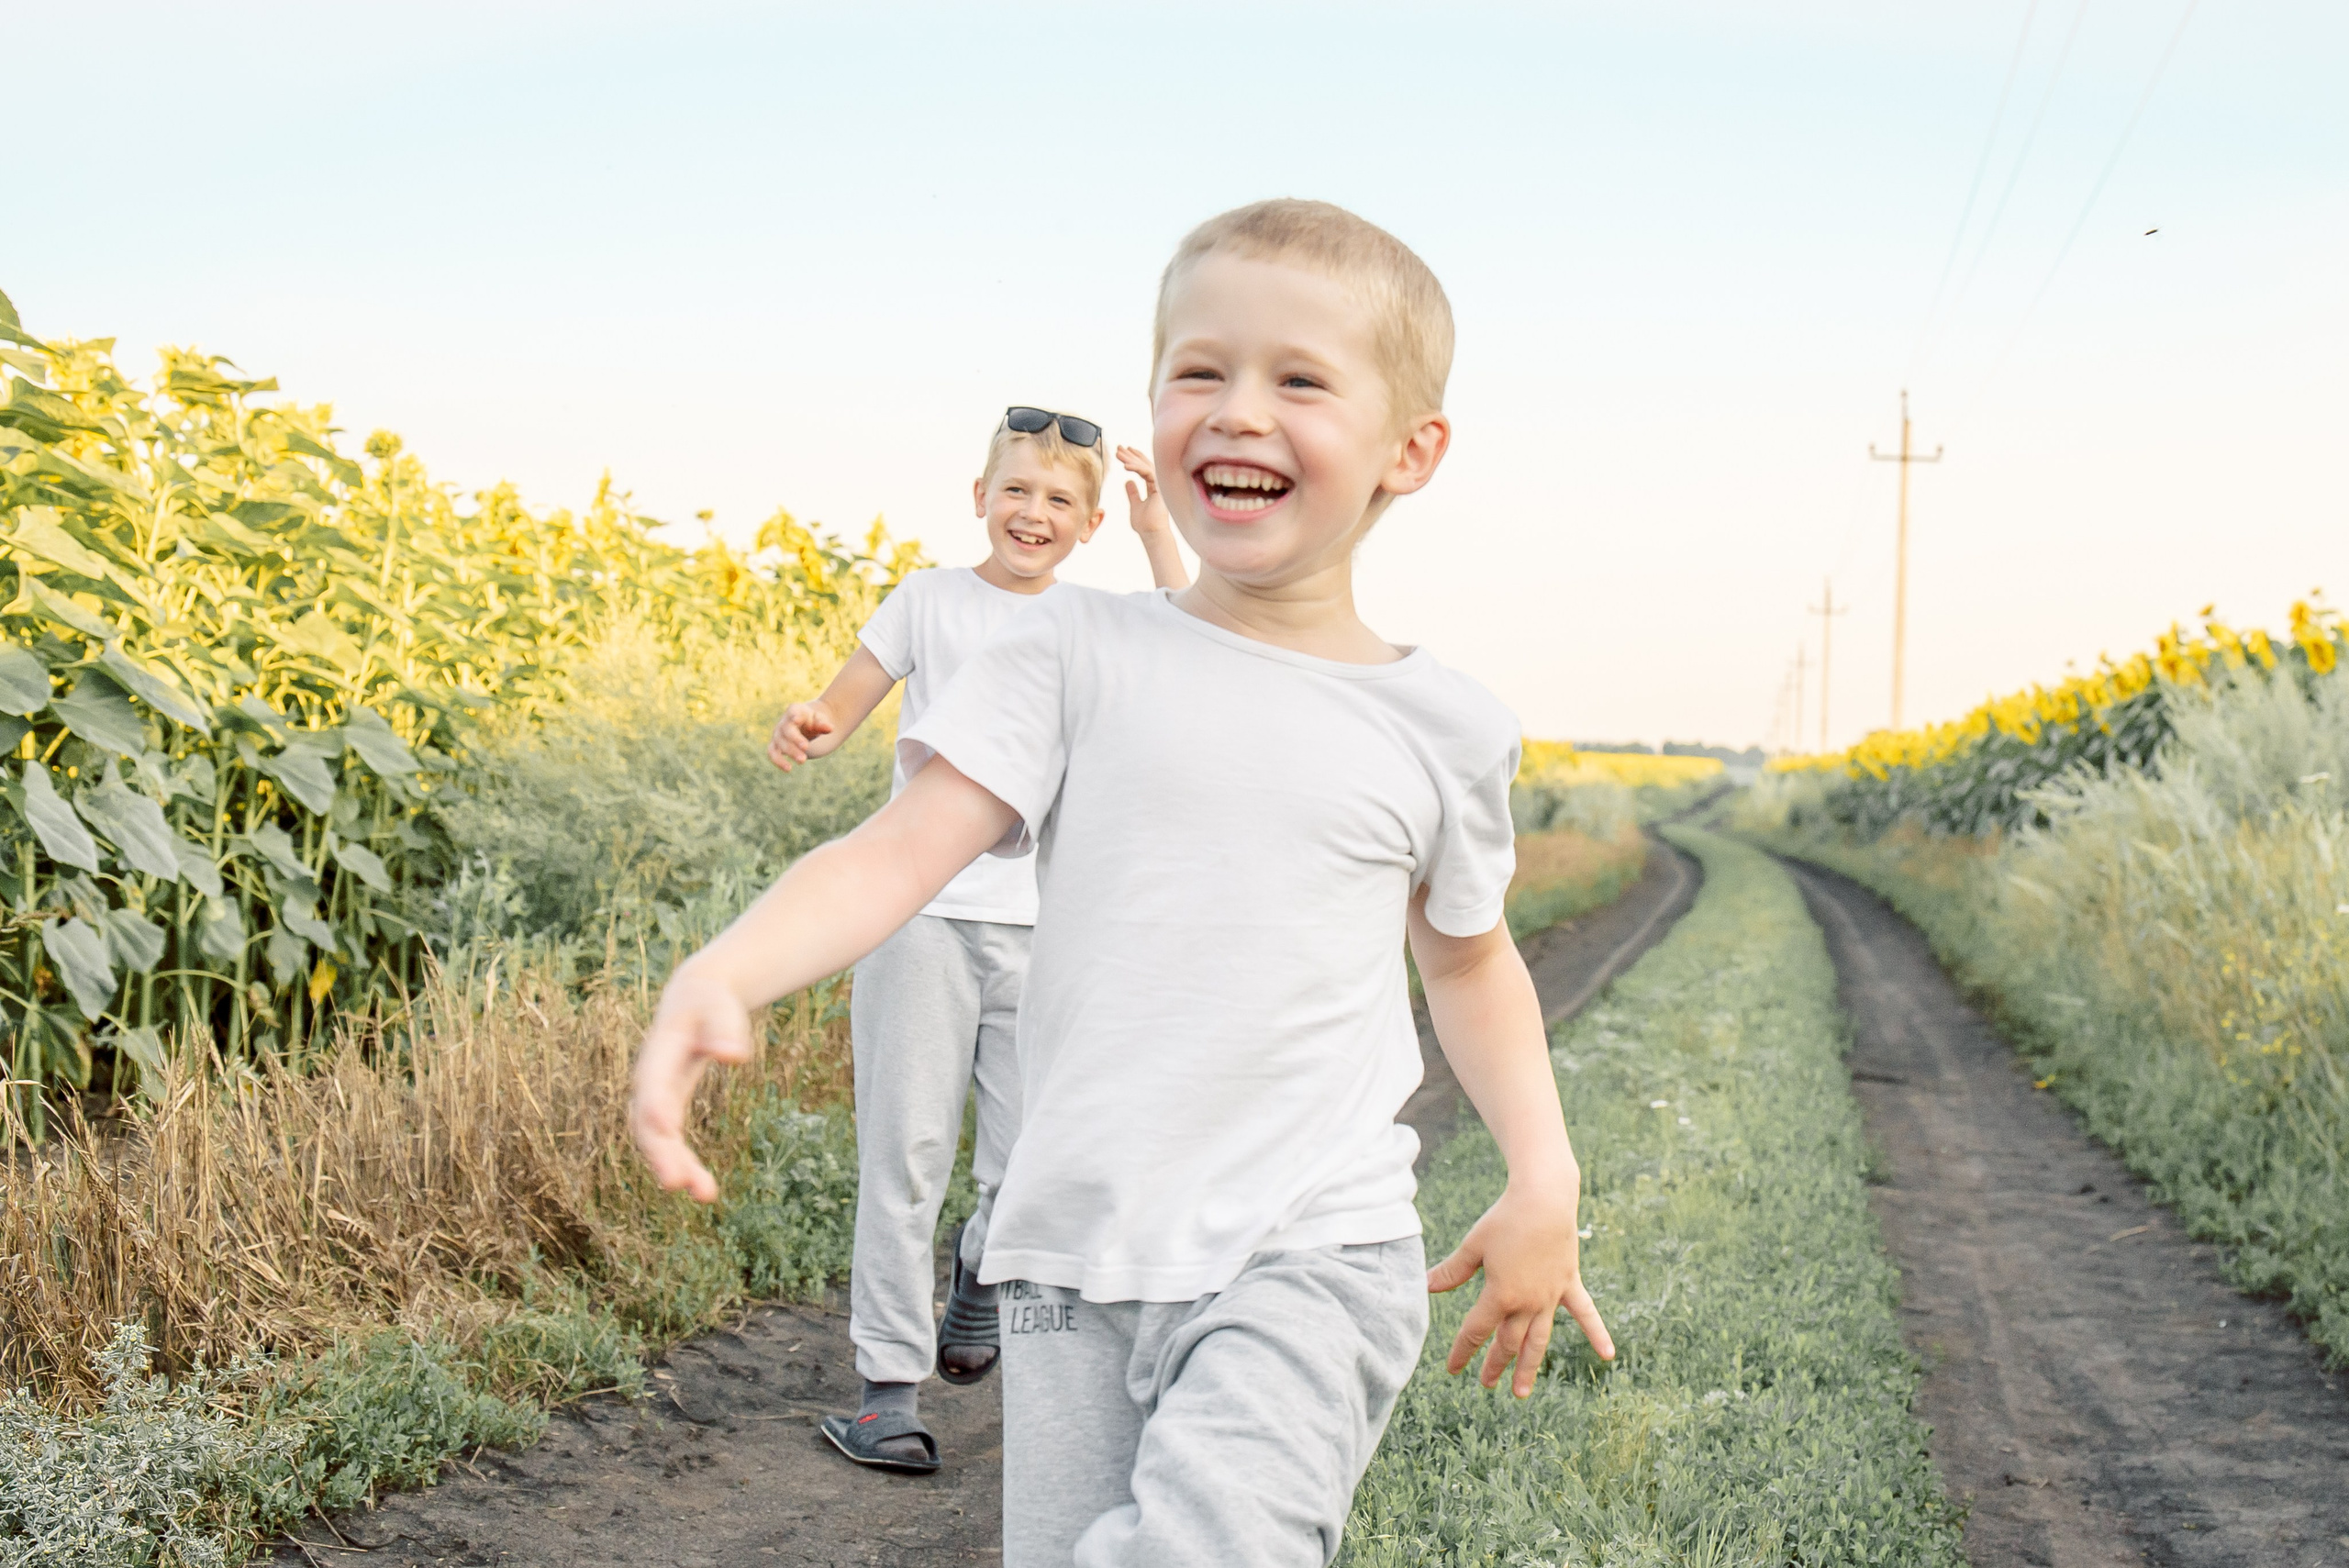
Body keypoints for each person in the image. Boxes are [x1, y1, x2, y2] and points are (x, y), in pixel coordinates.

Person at [636, 199, 1613, 1563]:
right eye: (1200, 372)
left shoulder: (1442, 723)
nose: (1238, 412)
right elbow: (896, 850)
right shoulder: (1075, 657)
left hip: (1310, 1245)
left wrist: (1543, 1174)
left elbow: (1467, 957)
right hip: (1068, 1263)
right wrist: (725, 968)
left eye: (1300, 380)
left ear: (1412, 451)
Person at [763, 407, 1186, 1473]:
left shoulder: (1094, 620)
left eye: (1058, 500)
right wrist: (810, 724)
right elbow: (843, 702)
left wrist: (1155, 527)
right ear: (979, 497)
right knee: (901, 1151)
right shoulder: (929, 599)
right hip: (918, 919)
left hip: (1050, 932)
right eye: (1017, 491)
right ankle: (885, 1390)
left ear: (1086, 524)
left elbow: (1194, 635)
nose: (1032, 513)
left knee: (1029, 1164)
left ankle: (979, 1278)